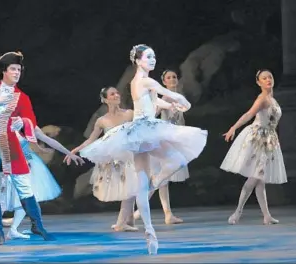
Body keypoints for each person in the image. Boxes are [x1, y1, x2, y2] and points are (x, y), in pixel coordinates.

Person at [78, 44, 208, 255]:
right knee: (175, 162)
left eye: (154, 56)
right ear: (138, 60)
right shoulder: (146, 79)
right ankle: (153, 192)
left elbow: (153, 99)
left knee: (144, 182)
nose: (152, 60)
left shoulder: (135, 81)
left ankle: (149, 230)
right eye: (148, 57)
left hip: (141, 130)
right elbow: (165, 92)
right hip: (146, 129)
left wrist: (169, 106)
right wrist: (181, 100)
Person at [0, 51, 81, 245]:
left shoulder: (22, 97)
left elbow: (32, 125)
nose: (17, 73)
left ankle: (37, 225)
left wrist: (22, 122)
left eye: (19, 70)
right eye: (13, 69)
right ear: (4, 71)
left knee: (25, 187)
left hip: (12, 147)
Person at [0, 127, 82, 239]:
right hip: (10, 166)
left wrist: (69, 153)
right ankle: (5, 228)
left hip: (28, 165)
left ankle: (18, 228)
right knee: (9, 198)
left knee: (27, 197)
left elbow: (47, 140)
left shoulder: (26, 123)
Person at [66, 87, 140, 232]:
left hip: (130, 155)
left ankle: (127, 220)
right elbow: (91, 139)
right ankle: (121, 223)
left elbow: (141, 128)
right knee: (129, 189)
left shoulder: (129, 114)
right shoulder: (102, 120)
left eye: (117, 93)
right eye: (112, 94)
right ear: (105, 99)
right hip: (114, 160)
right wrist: (75, 150)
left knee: (132, 188)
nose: (116, 95)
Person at [220, 69, 286, 225]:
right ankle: (238, 212)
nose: (268, 80)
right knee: (255, 177)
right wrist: (233, 128)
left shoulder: (272, 99)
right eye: (264, 78)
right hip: (258, 139)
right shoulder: (262, 99)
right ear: (259, 82)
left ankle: (266, 216)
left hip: (268, 140)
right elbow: (249, 114)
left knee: (260, 179)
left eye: (270, 77)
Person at [132, 69, 187, 225]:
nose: (172, 79)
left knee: (163, 177)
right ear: (164, 82)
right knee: (161, 176)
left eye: (174, 77)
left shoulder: (178, 98)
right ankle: (138, 211)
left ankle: (167, 214)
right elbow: (152, 115)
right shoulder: (165, 98)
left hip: (174, 140)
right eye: (168, 78)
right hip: (163, 140)